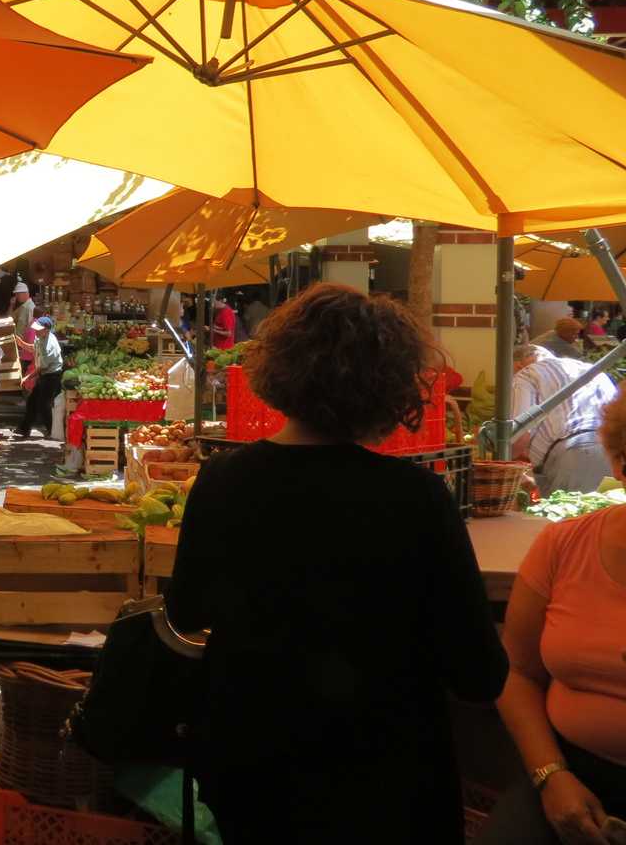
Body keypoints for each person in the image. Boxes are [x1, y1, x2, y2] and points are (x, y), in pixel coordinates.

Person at [167, 283, 507, 845]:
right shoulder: (415, 497)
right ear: (389, 388)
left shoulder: (222, 478)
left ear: (281, 368)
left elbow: (187, 609)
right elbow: (476, 672)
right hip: (380, 773)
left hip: (248, 758)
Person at [476, 370, 626, 845]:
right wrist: (550, 775)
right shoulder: (564, 544)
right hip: (570, 767)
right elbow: (516, 670)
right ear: (618, 461)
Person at [512, 343, 619, 497]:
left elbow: (520, 435)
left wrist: (500, 460)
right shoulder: (595, 371)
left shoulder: (527, 373)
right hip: (613, 452)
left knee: (564, 516)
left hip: (574, 455)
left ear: (517, 366)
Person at [14, 316, 64, 439]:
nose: (36, 331)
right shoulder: (40, 338)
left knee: (43, 404)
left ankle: (53, 430)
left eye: (39, 330)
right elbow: (35, 350)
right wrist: (22, 344)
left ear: (47, 330)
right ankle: (24, 429)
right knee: (32, 401)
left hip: (52, 377)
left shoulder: (49, 346)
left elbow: (41, 367)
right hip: (45, 376)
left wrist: (27, 377)